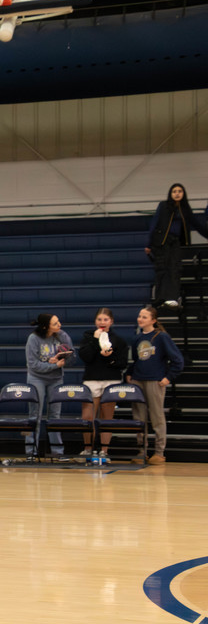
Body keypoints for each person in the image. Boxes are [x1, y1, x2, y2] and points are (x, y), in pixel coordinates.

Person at [126, 305, 184, 465]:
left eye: (144, 317)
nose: (140, 319)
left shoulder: (161, 337)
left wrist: (168, 377)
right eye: (139, 316)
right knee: (139, 417)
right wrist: (129, 373)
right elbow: (137, 360)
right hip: (138, 380)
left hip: (155, 381)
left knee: (157, 417)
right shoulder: (136, 338)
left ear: (153, 320)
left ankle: (159, 452)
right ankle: (141, 451)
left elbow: (178, 360)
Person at [144, 183, 208, 308]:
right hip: (161, 242)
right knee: (161, 269)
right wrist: (149, 243)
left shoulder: (185, 209)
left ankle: (171, 297)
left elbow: (196, 225)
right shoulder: (163, 206)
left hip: (175, 242)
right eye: (174, 191)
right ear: (170, 193)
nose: (177, 193)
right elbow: (154, 223)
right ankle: (160, 298)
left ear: (183, 194)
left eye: (180, 191)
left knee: (174, 268)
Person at [76, 307, 129, 459]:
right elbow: (86, 357)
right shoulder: (88, 336)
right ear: (95, 321)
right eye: (99, 319)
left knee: (107, 417)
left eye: (105, 319)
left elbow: (122, 363)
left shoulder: (119, 340)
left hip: (110, 380)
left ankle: (104, 451)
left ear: (111, 321)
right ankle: (87, 449)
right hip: (91, 379)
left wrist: (108, 357)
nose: (102, 322)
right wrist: (95, 340)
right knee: (87, 416)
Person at [24, 313, 75, 459]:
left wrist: (66, 357)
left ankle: (58, 452)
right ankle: (31, 452)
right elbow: (33, 365)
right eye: (55, 324)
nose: (59, 325)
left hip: (56, 379)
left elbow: (72, 356)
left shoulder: (62, 336)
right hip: (37, 378)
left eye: (58, 322)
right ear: (46, 327)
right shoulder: (33, 339)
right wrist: (52, 365)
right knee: (35, 415)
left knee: (55, 416)